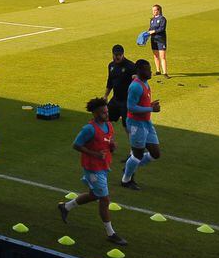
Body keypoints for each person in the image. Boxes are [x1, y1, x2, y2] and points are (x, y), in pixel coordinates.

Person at [58, 97, 128, 246]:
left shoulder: (109, 125)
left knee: (94, 195)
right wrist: (94, 154)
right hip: (92, 168)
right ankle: (111, 233)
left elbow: (108, 141)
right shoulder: (89, 129)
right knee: (104, 199)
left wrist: (112, 146)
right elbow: (76, 145)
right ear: (95, 113)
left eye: (107, 111)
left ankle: (66, 207)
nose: (106, 114)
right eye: (103, 113)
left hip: (103, 166)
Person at [121, 59, 160, 189]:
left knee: (155, 153)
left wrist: (149, 105)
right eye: (147, 69)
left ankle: (128, 167)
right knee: (137, 154)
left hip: (146, 123)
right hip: (136, 124)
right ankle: (126, 180)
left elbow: (140, 103)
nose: (150, 72)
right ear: (139, 71)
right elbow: (130, 107)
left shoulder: (145, 83)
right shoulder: (136, 86)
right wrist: (151, 109)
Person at [104, 44, 136, 123]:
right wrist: (106, 95)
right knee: (105, 118)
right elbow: (110, 81)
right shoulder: (111, 66)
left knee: (127, 125)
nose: (117, 57)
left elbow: (137, 83)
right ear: (112, 54)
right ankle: (107, 135)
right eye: (116, 55)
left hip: (127, 101)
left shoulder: (130, 66)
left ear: (123, 54)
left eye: (120, 55)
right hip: (116, 99)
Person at [147, 4, 168, 78]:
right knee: (156, 56)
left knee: (162, 56)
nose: (153, 12)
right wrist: (147, 33)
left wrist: (154, 31)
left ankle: (165, 73)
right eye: (152, 10)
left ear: (158, 10)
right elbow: (150, 28)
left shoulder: (162, 19)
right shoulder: (152, 20)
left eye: (155, 10)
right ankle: (158, 71)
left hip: (161, 40)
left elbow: (162, 29)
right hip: (154, 40)